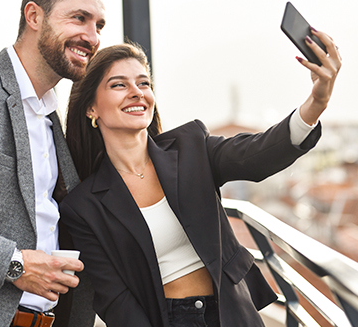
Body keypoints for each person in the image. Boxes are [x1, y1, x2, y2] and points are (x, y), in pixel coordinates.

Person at [60, 32, 341, 327]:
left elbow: (256, 154)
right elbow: (114, 298)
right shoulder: (83, 206)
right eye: (119, 85)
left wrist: (316, 103)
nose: (136, 92)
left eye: (144, 83)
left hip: (233, 312)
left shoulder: (191, 145)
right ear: (91, 108)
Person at [0, 0, 107, 327]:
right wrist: (15, 264)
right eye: (79, 18)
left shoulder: (54, 119)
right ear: (34, 16)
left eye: (98, 24)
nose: (92, 37)